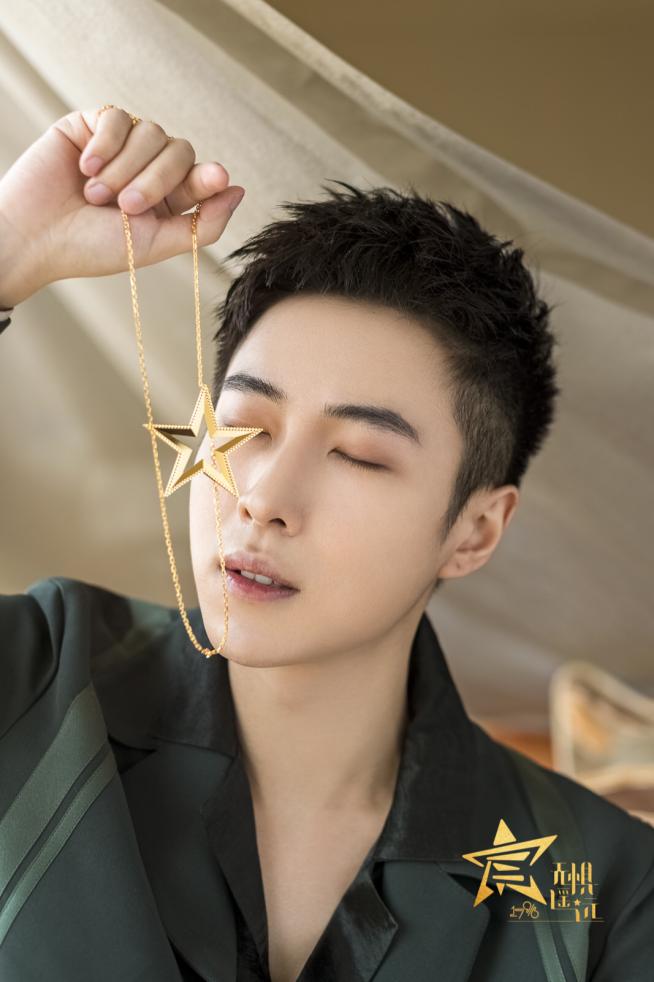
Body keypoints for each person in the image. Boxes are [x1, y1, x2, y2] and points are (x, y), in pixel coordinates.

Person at [0, 106, 652, 982]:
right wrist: (11, 247)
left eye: (359, 456)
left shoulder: (596, 885)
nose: (265, 500)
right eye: (247, 426)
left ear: (473, 531)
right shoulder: (37, 685)